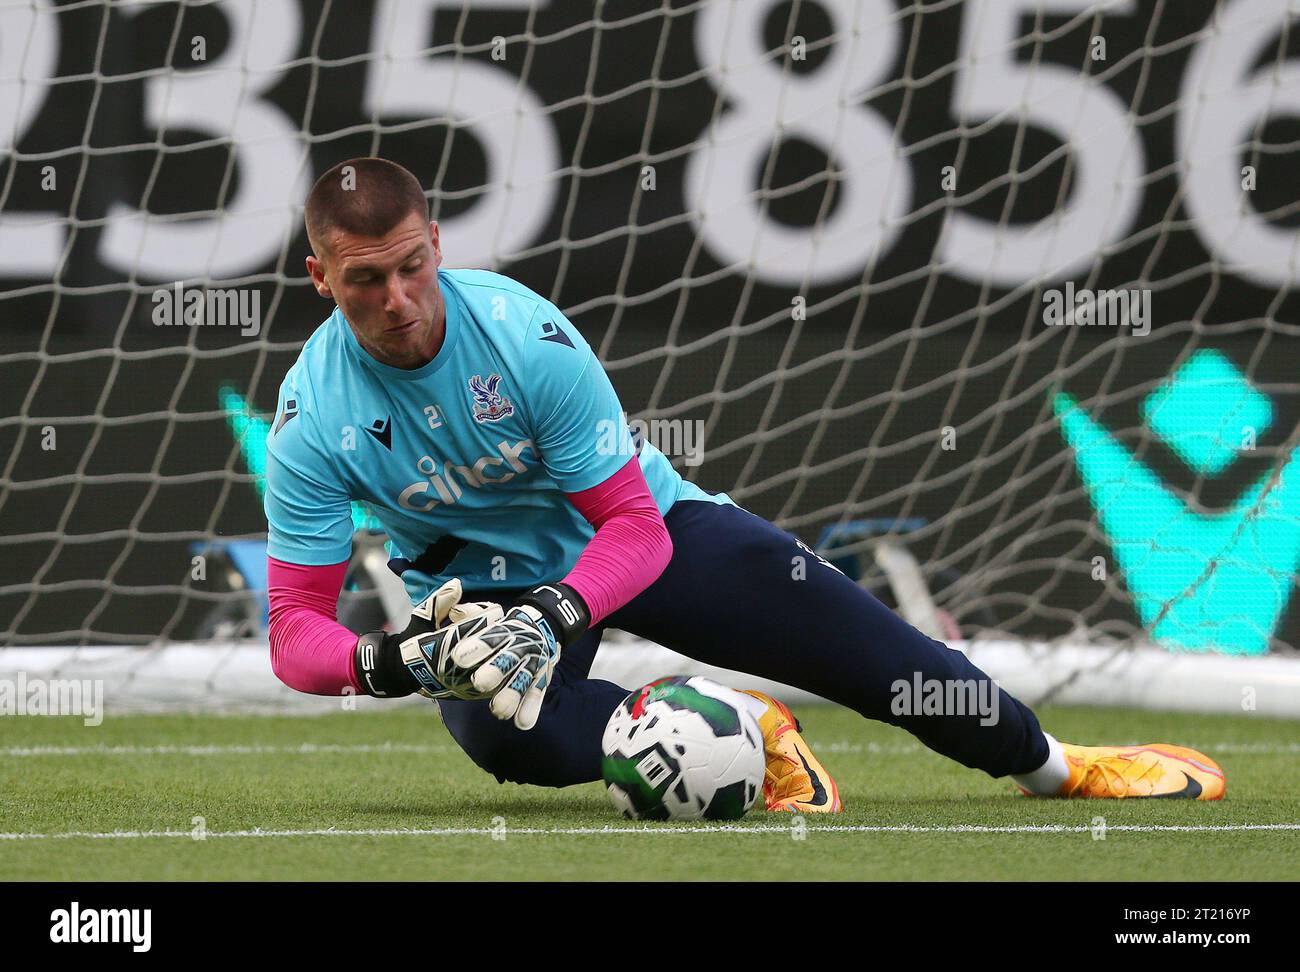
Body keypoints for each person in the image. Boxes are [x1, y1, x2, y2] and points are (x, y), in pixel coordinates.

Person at [264, 157, 1226, 809]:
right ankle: (744, 727)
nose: (397, 301)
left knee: (869, 650)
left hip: (631, 543)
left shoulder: (524, 336)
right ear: (319, 276)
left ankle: (1060, 770)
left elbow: (634, 530)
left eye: (413, 267)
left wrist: (555, 614)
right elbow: (293, 633)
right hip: (482, 599)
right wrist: (397, 664)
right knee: (508, 742)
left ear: (436, 239)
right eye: (363, 281)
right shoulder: (309, 417)